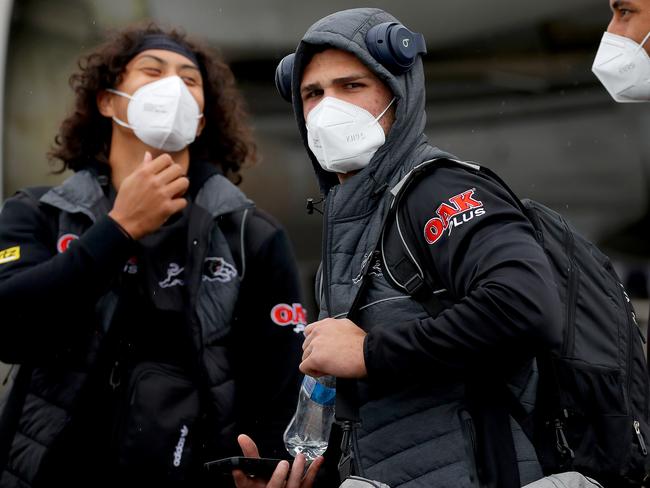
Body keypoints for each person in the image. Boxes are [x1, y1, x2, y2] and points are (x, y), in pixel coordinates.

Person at [236, 7, 566, 488]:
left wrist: (370, 351)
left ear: (398, 94)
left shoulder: (437, 191)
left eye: (351, 86)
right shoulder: (351, 225)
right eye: (313, 93)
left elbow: (527, 306)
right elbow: (393, 423)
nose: (329, 108)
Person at [0, 23, 305, 488]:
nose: (172, 88)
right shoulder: (39, 213)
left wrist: (264, 465)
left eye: (189, 79)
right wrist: (118, 230)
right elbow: (10, 328)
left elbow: (280, 385)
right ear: (107, 101)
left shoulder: (250, 235)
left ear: (200, 120)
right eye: (152, 70)